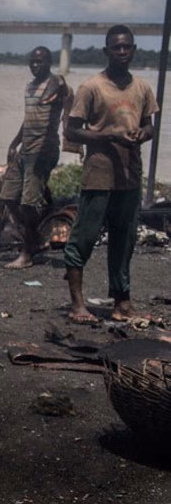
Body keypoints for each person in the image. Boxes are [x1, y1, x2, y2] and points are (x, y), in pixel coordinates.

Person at [63, 25, 157, 324]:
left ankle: (122, 302)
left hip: (129, 175)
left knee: (124, 239)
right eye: (116, 48)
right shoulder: (91, 87)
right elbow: (71, 130)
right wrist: (109, 134)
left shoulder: (142, 87)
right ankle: (77, 304)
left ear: (133, 50)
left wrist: (143, 133)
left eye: (126, 47)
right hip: (99, 173)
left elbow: (150, 125)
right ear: (106, 51)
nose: (122, 52)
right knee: (84, 238)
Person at [2, 46, 71, 269]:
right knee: (8, 198)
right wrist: (14, 143)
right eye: (32, 62)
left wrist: (58, 82)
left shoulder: (56, 83)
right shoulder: (29, 87)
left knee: (28, 204)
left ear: (49, 63)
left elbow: (61, 86)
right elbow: (29, 119)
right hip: (25, 149)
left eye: (40, 62)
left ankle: (27, 254)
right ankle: (36, 240)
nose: (35, 65)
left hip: (44, 149)